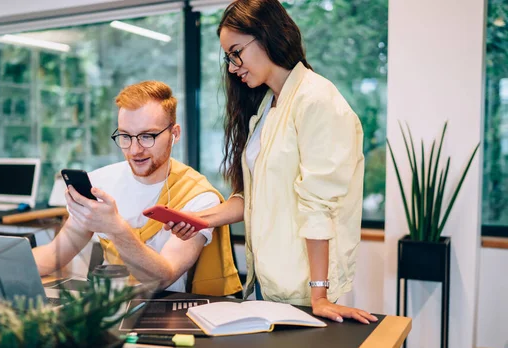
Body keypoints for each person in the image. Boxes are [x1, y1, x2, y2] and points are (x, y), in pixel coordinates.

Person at [167, 0, 377, 324]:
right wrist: (199, 219)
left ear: (267, 35)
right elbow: (254, 197)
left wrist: (319, 295)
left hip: (301, 290)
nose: (233, 66)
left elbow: (319, 205)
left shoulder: (317, 99)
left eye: (236, 52)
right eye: (228, 57)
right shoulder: (268, 107)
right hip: (264, 283)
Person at [33, 81, 242, 296]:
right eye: (125, 136)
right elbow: (53, 256)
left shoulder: (198, 197)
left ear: (175, 134)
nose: (135, 150)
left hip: (164, 313)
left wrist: (115, 227)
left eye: (147, 136)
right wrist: (2, 262)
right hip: (108, 308)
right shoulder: (99, 183)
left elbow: (164, 277)